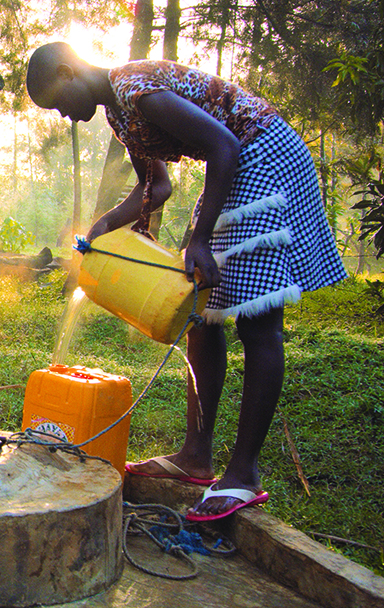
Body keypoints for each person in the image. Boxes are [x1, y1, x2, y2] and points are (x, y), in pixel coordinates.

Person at [25, 42, 346, 521]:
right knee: (203, 312)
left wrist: (197, 239)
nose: (67, 117)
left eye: (58, 103)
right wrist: (104, 226)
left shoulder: (135, 87)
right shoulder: (120, 114)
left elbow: (224, 145)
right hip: (237, 162)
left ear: (69, 71)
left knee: (257, 321)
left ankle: (243, 474)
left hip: (263, 154)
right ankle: (196, 456)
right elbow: (155, 188)